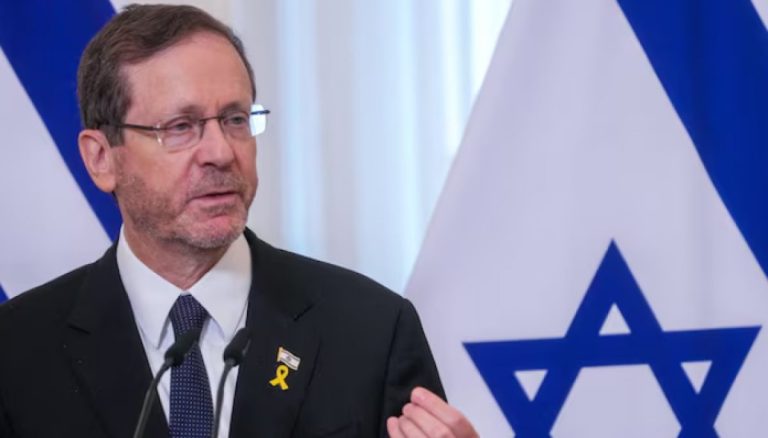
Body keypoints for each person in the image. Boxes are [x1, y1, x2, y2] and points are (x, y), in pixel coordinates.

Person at [0, 4, 477, 438]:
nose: (221, 152)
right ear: (101, 158)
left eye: (234, 119)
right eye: (180, 127)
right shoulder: (18, 349)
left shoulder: (371, 330)